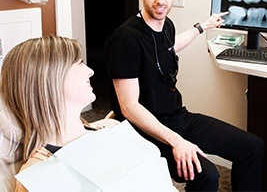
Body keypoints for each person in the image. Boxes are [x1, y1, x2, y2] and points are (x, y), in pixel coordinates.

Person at [104, 0, 265, 191]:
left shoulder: (165, 25)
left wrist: (203, 27)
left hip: (177, 118)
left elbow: (171, 45)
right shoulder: (125, 40)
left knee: (253, 146)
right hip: (144, 131)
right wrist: (176, 141)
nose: (161, 0)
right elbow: (129, 107)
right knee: (207, 176)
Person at [0, 35, 176, 192]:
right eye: (79, 63)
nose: (90, 71)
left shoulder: (110, 128)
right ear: (51, 79)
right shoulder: (37, 174)